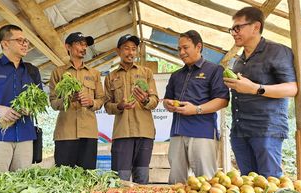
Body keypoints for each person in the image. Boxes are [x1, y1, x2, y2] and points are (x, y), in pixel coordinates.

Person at [224, 7, 297, 178]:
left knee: (270, 183)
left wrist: (255, 88)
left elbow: (292, 88)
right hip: (240, 131)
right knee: (248, 184)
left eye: (237, 28)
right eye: (232, 29)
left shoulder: (277, 51)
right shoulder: (239, 61)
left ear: (256, 27)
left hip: (266, 130)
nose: (234, 33)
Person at [163, 30, 229, 184]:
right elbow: (167, 99)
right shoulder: (176, 75)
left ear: (198, 46)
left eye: (185, 48)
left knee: (207, 183)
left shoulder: (214, 70)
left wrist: (196, 109)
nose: (181, 52)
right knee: (176, 183)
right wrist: (168, 104)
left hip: (202, 132)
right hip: (177, 132)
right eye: (179, 49)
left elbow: (222, 100)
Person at [0, 24, 42, 172]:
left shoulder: (32, 70)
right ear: (5, 43)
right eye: (20, 40)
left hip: (25, 135)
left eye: (26, 41)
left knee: (22, 183)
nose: (25, 44)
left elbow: (39, 100)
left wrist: (30, 108)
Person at [104, 34, 159, 184]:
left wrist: (145, 100)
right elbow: (107, 106)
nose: (130, 53)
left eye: (134, 49)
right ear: (118, 51)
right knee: (120, 180)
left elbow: (155, 101)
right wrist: (119, 106)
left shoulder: (146, 73)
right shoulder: (111, 77)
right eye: (126, 48)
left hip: (144, 132)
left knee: (141, 178)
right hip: (122, 134)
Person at [49, 32, 104, 169]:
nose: (84, 47)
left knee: (87, 175)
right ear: (68, 46)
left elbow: (101, 99)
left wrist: (92, 102)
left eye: (85, 45)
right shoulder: (58, 72)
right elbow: (53, 102)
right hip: (65, 133)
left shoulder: (94, 73)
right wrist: (67, 100)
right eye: (80, 44)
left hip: (89, 132)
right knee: (64, 177)